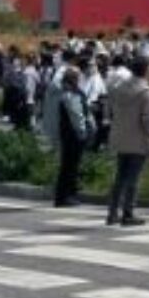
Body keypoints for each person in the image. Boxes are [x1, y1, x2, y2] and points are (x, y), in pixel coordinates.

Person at [105, 58, 149, 227]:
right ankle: (128, 212)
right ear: (146, 70)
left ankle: (112, 212)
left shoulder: (119, 88)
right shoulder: (146, 92)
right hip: (138, 138)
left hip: (120, 135)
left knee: (120, 175)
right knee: (133, 178)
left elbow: (111, 109)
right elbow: (147, 120)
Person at [51, 66, 92, 207]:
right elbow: (76, 115)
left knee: (68, 166)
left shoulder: (65, 93)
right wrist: (83, 132)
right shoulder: (70, 94)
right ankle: (65, 196)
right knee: (70, 167)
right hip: (73, 135)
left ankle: (66, 195)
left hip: (68, 134)